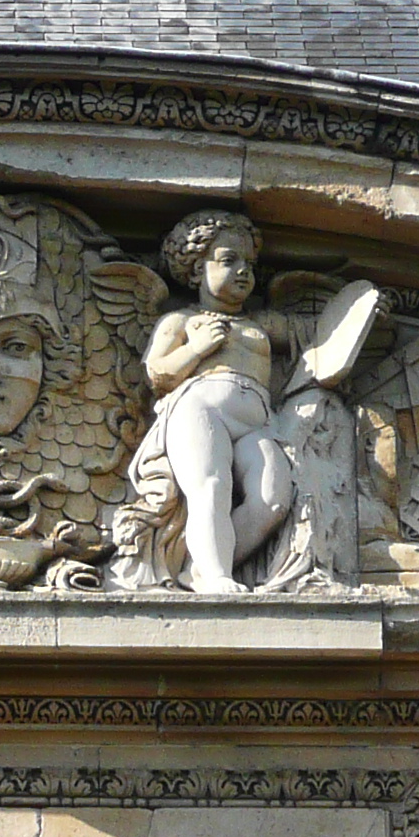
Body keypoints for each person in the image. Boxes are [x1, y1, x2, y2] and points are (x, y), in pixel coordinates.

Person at [130, 209, 304, 593]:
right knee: (211, 486)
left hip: (258, 422)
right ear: (195, 270)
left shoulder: (260, 325)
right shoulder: (181, 322)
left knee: (273, 500)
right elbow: (157, 374)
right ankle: (217, 575)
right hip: (201, 409)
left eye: (249, 264)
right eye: (229, 260)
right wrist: (197, 348)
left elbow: (319, 337)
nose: (244, 271)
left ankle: (197, 565)